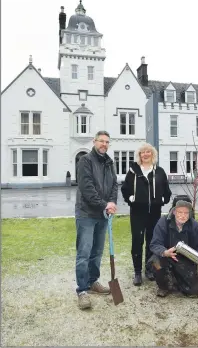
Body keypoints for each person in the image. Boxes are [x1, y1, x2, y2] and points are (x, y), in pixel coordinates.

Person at [75, 131, 118, 310]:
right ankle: (82, 290)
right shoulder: (85, 160)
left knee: (97, 252)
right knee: (84, 253)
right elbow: (86, 188)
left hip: (102, 214)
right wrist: (104, 204)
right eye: (101, 141)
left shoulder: (109, 162)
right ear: (94, 142)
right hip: (86, 214)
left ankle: (93, 282)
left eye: (107, 142)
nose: (104, 144)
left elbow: (114, 184)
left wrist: (112, 203)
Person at [121, 143, 172, 286]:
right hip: (138, 212)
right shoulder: (133, 172)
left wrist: (162, 200)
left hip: (154, 212)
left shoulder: (160, 171)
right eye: (142, 152)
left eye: (148, 152)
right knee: (137, 241)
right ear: (139, 155)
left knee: (152, 241)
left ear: (152, 154)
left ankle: (149, 269)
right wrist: (131, 199)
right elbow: (125, 189)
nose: (145, 154)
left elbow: (167, 191)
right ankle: (137, 272)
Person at [149, 199, 198, 298]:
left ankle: (176, 280)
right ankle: (164, 286)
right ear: (174, 211)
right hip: (165, 257)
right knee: (155, 262)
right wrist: (165, 252)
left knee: (195, 292)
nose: (182, 215)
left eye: (186, 213)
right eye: (180, 212)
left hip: (184, 259)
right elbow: (155, 244)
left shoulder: (193, 225)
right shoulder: (163, 222)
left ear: (189, 214)